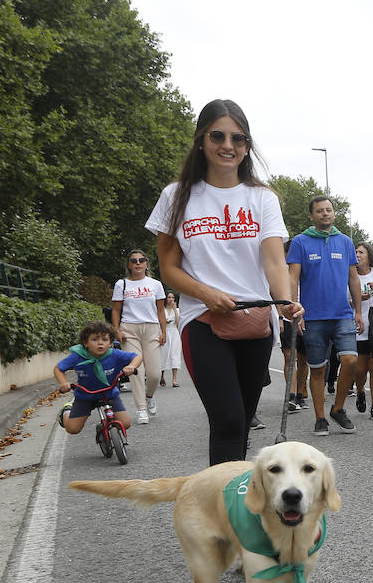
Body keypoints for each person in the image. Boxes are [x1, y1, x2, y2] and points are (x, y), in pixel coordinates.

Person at [147, 99, 301, 465]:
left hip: (256, 322)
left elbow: (274, 260)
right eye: (217, 135)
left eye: (238, 138)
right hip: (203, 320)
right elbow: (168, 268)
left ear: (247, 147)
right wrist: (206, 293)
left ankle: (235, 503)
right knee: (228, 420)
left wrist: (286, 303)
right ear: (201, 140)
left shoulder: (262, 198)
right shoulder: (176, 196)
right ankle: (223, 513)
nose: (227, 145)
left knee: (243, 423)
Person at [287, 195, 361, 436]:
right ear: (312, 215)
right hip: (313, 316)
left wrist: (358, 311)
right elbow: (293, 278)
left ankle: (338, 409)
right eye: (320, 211)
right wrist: (294, 310)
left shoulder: (345, 241)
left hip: (342, 314)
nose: (325, 214)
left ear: (334, 213)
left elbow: (353, 278)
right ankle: (320, 418)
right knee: (317, 369)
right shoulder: (300, 242)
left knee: (350, 360)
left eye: (328, 210)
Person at [110, 249, 167, 424]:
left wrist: (163, 331)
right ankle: (141, 409)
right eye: (134, 261)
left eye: (141, 260)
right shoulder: (122, 284)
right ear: (129, 264)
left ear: (146, 263)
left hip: (151, 329)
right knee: (136, 371)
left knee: (154, 374)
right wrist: (116, 330)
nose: (138, 263)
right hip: (129, 330)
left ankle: (149, 396)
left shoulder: (155, 284)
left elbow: (160, 310)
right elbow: (116, 310)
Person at [54, 321, 140, 435]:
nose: (100, 343)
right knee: (72, 429)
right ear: (85, 342)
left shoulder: (114, 354)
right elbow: (58, 369)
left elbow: (137, 357)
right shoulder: (78, 356)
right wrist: (64, 383)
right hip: (85, 396)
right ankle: (66, 411)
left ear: (110, 343)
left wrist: (131, 366)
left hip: (109, 394)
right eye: (95, 340)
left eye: (105, 340)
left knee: (125, 424)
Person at [351, 243, 373, 421]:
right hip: (358, 328)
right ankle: (360, 392)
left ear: (370, 256)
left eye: (361, 252)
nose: (357, 255)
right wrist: (356, 298)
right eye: (355, 252)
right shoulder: (351, 276)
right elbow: (344, 300)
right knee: (360, 370)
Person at [158, 291, 183, 388]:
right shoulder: (161, 310)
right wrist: (164, 322)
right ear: (165, 299)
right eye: (169, 297)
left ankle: (174, 380)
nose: (171, 299)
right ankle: (162, 376)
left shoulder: (177, 310)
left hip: (174, 333)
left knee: (175, 354)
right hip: (164, 332)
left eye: (172, 297)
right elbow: (158, 322)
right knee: (163, 354)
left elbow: (178, 323)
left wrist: (175, 310)